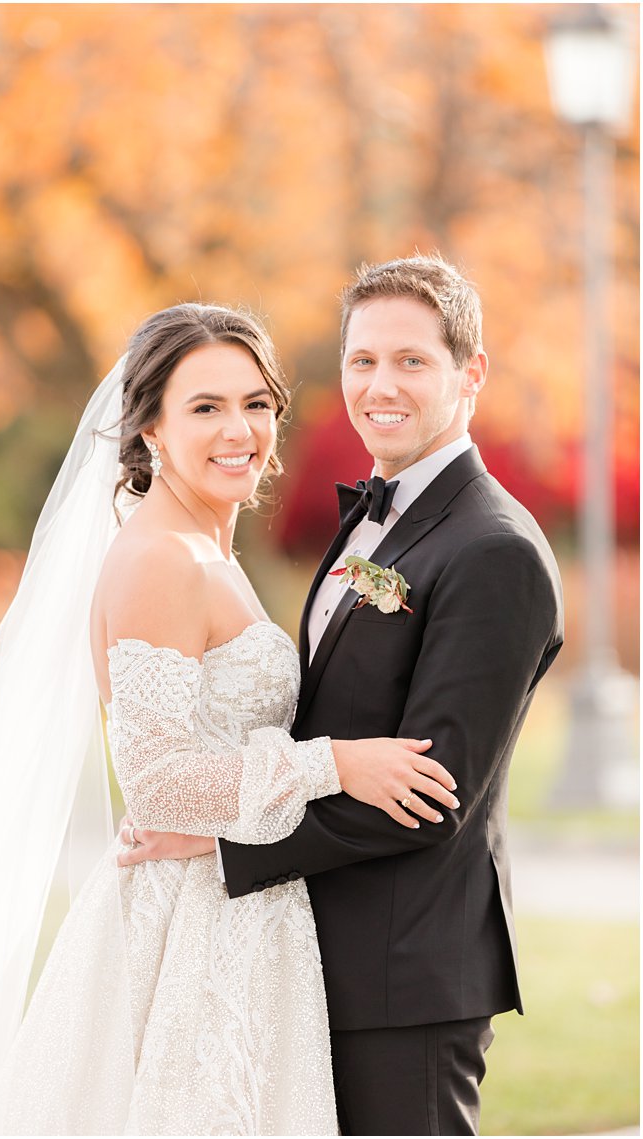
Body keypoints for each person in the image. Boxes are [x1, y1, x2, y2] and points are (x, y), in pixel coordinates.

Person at [0, 302, 462, 1135]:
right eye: (205, 407)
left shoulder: (207, 551)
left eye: (255, 403)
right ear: (149, 428)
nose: (240, 430)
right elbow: (157, 784)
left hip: (244, 903)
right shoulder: (160, 559)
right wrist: (335, 763)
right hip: (195, 929)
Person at [120, 256, 564, 1135]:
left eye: (411, 361)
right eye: (362, 361)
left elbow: (427, 799)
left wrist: (220, 848)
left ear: (470, 373)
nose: (379, 385)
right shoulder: (372, 518)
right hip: (315, 952)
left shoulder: (494, 551)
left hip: (407, 973)